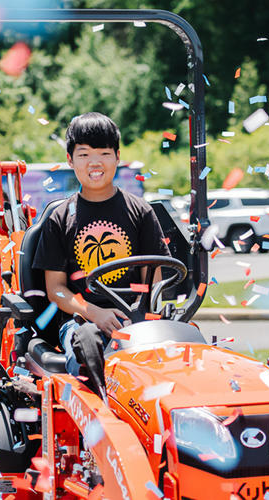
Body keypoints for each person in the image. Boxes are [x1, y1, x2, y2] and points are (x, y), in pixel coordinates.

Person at [32, 112, 170, 376]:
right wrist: (95, 313)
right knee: (89, 345)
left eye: (104, 154)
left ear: (118, 157)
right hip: (80, 322)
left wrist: (137, 318)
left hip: (136, 320)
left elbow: (154, 282)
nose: (95, 163)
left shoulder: (140, 212)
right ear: (70, 160)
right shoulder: (59, 218)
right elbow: (55, 290)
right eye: (84, 155)